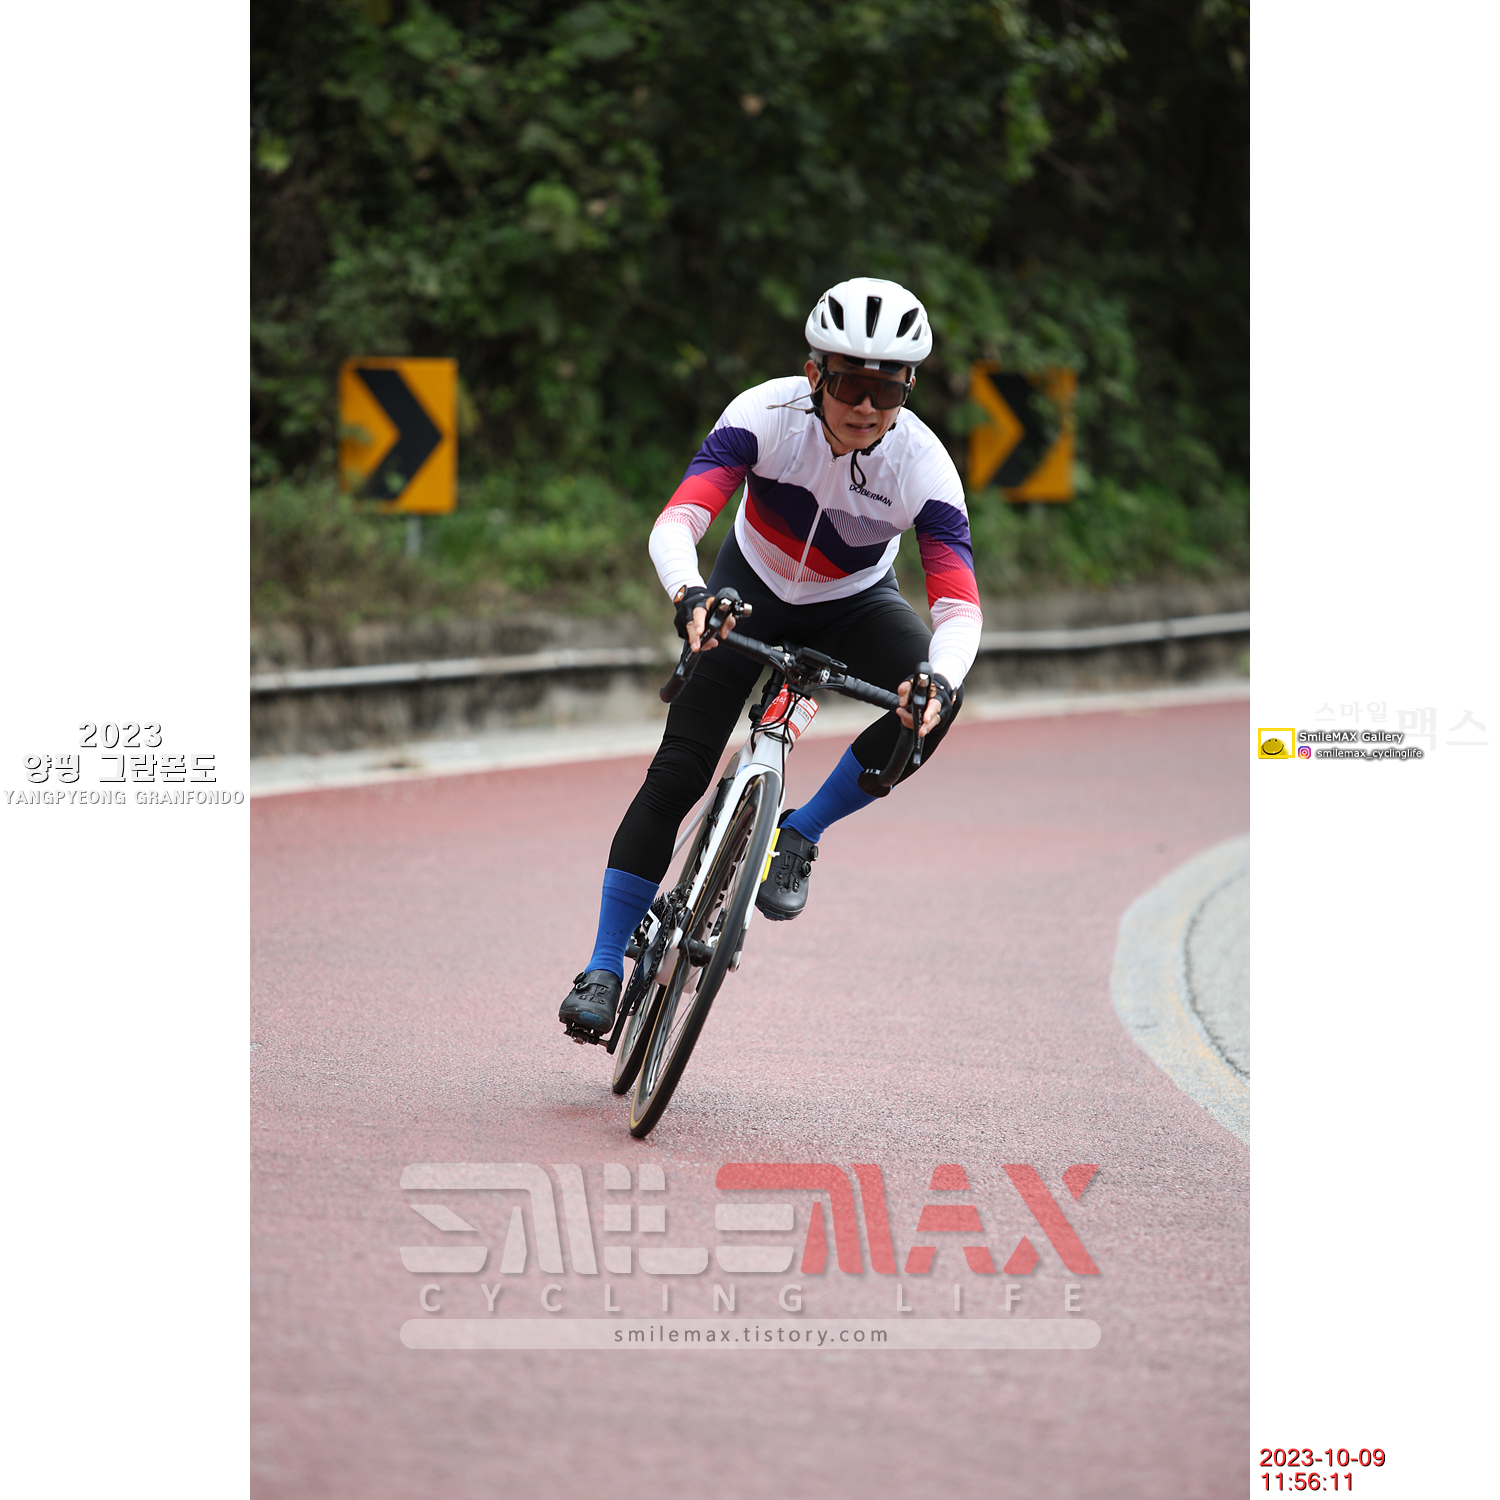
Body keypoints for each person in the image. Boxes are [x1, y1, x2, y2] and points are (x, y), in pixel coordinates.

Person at [560, 276, 983, 1036]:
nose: (867, 407)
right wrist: (690, 593)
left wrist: (940, 681)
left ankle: (802, 832)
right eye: (851, 384)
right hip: (748, 586)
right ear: (816, 372)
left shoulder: (924, 465)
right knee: (678, 771)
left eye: (888, 391)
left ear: (909, 391)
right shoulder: (763, 415)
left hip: (853, 604)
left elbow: (958, 606)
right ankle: (602, 965)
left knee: (932, 711)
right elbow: (679, 520)